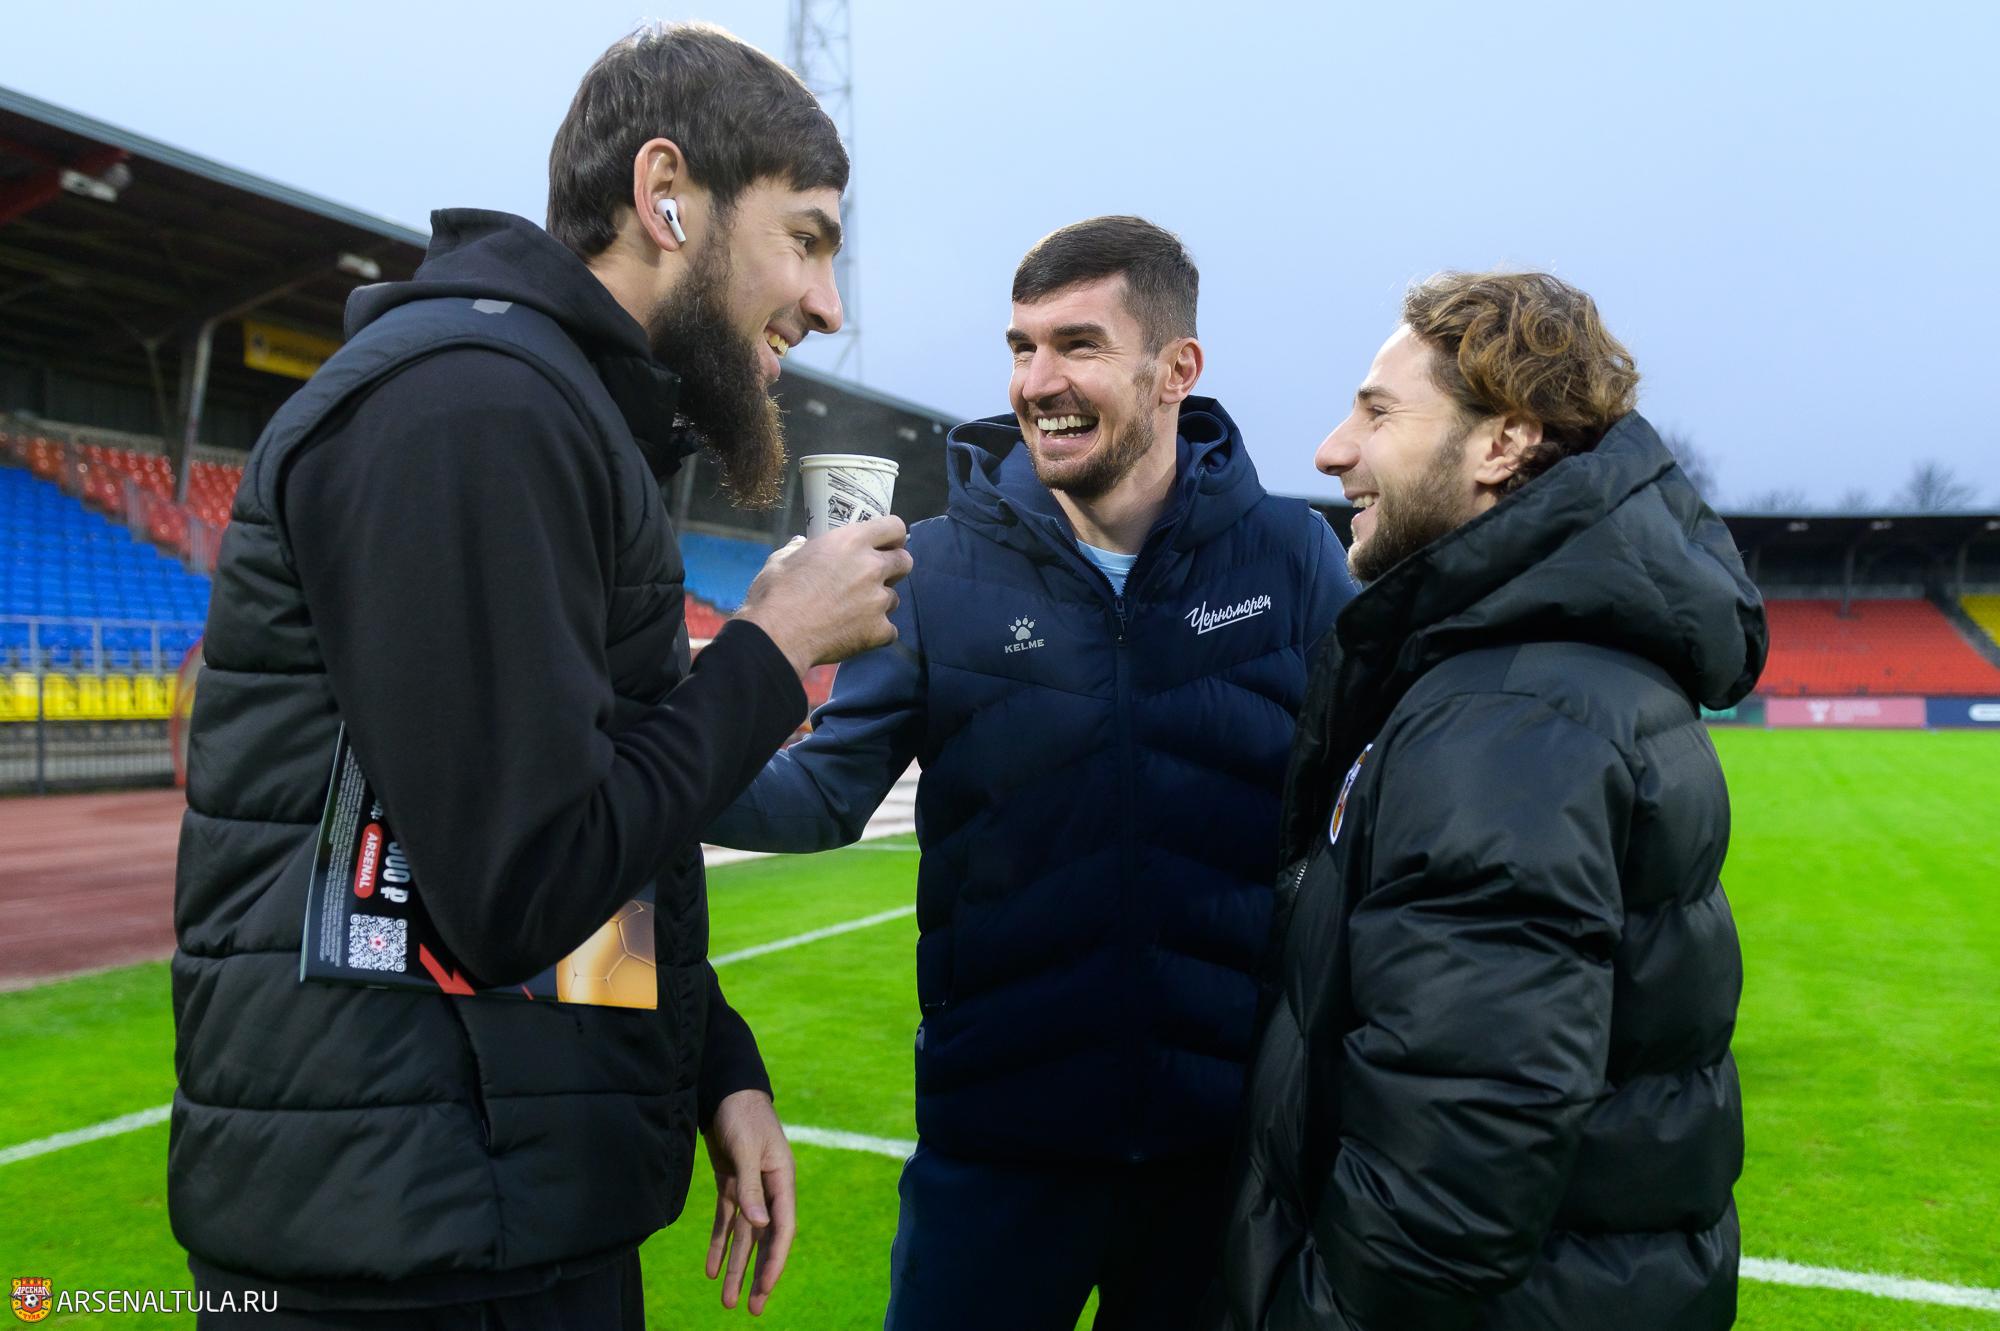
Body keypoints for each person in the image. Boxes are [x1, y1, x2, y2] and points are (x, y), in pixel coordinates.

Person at [169, 23, 911, 1329]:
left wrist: (713, 1059)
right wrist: (772, 650)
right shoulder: (474, 409)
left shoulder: (543, 406)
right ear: (666, 193)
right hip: (404, 1244)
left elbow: (571, 814)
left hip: (484, 1200)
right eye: (805, 238)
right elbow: (522, 882)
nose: (828, 303)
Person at [704, 215, 1355, 1329]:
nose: (1037, 382)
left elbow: (1370, 798)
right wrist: (650, 762)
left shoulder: (1292, 559)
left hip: (1221, 1162)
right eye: (1021, 347)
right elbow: (820, 794)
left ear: (1176, 369)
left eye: (1077, 345)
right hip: (994, 1160)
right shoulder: (933, 568)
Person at [1220, 271, 1765, 1329]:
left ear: (1503, 443)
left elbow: (1451, 1170)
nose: (1331, 450)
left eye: (1377, 413)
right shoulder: (1535, 672)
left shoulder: (1509, 715)